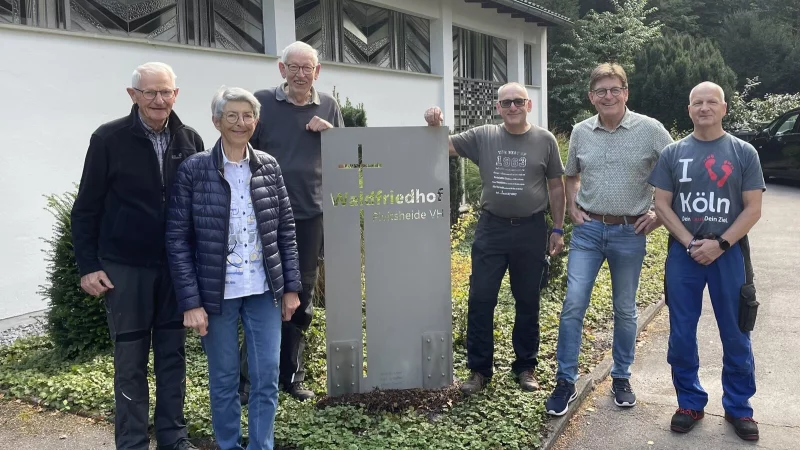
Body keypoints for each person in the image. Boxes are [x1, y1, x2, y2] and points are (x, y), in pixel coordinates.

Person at [71, 62, 203, 450]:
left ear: (176, 94)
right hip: (124, 269)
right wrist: (88, 265)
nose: (160, 100)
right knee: (130, 362)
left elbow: (202, 207)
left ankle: (173, 438)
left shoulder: (189, 140)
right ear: (134, 96)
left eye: (166, 92)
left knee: (172, 357)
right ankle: (131, 443)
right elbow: (87, 207)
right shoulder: (108, 139)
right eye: (150, 92)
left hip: (174, 269)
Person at [165, 87, 302, 450]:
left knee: (266, 378)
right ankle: (228, 445)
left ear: (256, 122)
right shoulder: (194, 169)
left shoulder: (269, 167)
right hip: (216, 295)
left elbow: (285, 230)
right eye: (232, 116)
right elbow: (177, 239)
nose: (241, 123)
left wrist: (291, 288)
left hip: (263, 291)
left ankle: (261, 445)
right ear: (216, 121)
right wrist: (190, 302)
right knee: (224, 379)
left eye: (247, 116)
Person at [545, 63, 674, 416]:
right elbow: (571, 175)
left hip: (629, 232)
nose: (608, 96)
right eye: (600, 91)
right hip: (588, 231)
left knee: (624, 309)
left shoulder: (650, 130)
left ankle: (620, 377)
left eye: (614, 89)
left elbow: (680, 169)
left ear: (626, 92)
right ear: (591, 96)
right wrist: (572, 207)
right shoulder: (581, 131)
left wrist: (659, 214)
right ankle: (565, 381)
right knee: (573, 304)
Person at [424, 82, 566, 395]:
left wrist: (557, 228)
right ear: (498, 107)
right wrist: (434, 122)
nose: (512, 107)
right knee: (481, 298)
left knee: (528, 300)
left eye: (518, 102)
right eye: (506, 103)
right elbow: (444, 145)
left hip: (530, 230)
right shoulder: (483, 136)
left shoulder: (545, 140)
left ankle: (526, 367)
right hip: (492, 229)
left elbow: (556, 186)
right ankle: (478, 370)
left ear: (528, 105)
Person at [649, 81, 764, 441]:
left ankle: (739, 408)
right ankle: (689, 402)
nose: (704, 107)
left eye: (711, 101)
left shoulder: (743, 152)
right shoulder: (673, 153)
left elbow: (753, 208)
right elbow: (662, 204)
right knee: (682, 332)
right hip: (684, 256)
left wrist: (721, 244)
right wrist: (689, 242)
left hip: (729, 255)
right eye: (697, 102)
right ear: (689, 110)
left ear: (724, 108)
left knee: (736, 330)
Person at [244, 41, 344, 402]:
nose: (302, 74)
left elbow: (344, 158)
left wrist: (333, 134)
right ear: (281, 68)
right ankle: (248, 379)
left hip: (309, 214)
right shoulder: (260, 103)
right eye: (294, 66)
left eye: (309, 68)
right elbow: (241, 151)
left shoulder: (329, 105)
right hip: (263, 214)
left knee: (299, 297)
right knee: (259, 293)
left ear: (317, 71)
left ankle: (292, 376)